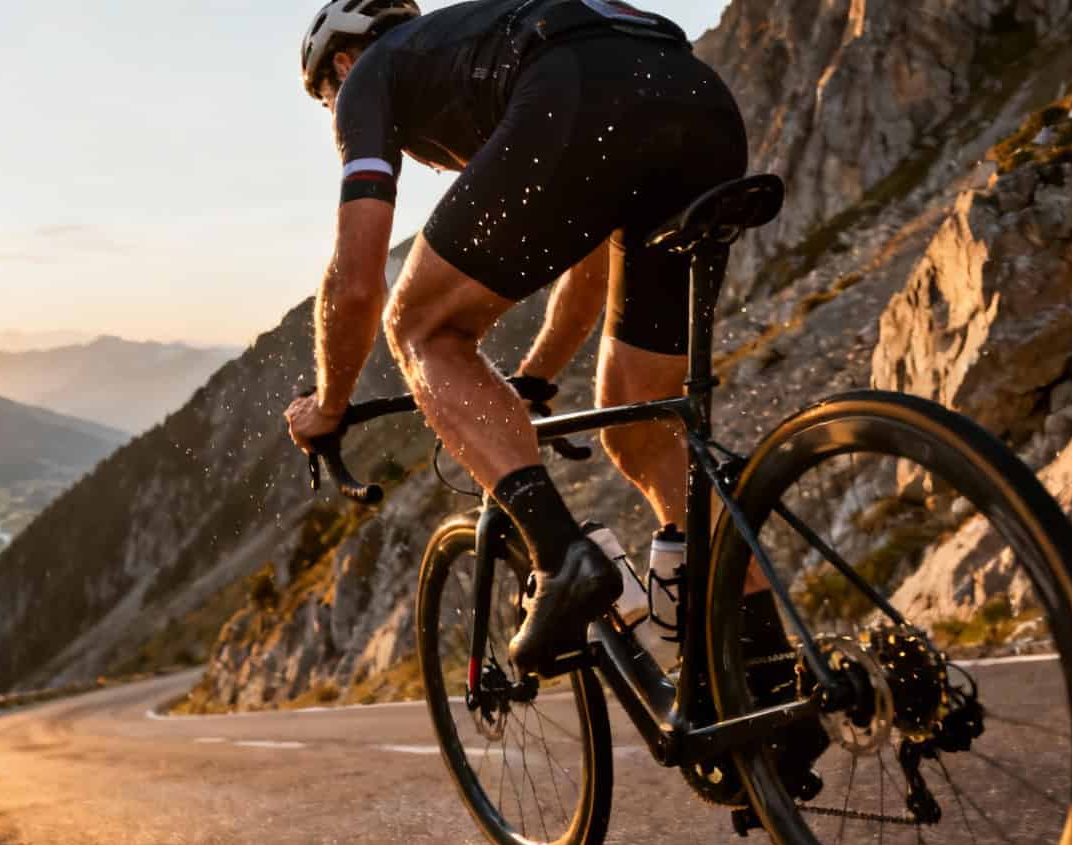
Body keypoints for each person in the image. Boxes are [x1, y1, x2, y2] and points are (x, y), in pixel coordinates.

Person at [283, 0, 748, 676]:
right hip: (700, 99)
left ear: (343, 61)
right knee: (643, 425)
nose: (334, 109)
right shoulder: (473, 56)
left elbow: (356, 285)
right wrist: (533, 379)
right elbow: (589, 259)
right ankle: (767, 681)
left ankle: (562, 557)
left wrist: (328, 407)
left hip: (581, 89)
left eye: (325, 95)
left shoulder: (368, 76)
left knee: (420, 326)